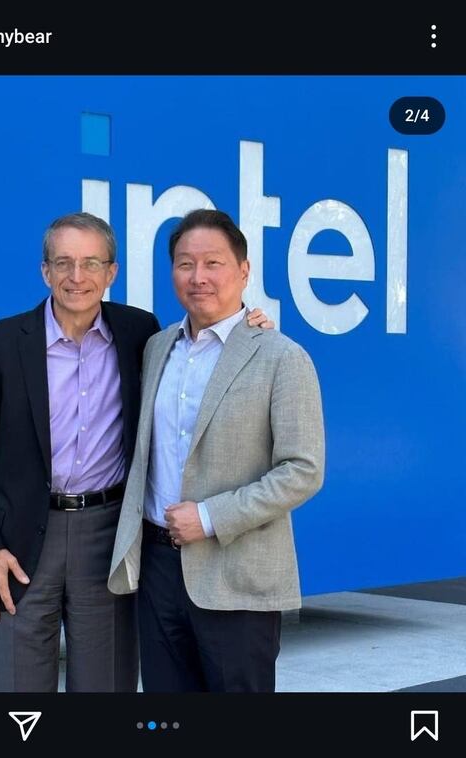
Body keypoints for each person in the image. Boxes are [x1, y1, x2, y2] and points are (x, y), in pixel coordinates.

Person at [0, 211, 272, 692]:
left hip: (109, 537)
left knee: (107, 689)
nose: (76, 276)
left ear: (111, 272)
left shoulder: (140, 333)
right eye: (63, 263)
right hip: (17, 544)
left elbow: (205, 344)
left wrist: (248, 325)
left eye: (91, 263)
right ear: (45, 271)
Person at [108, 209, 325, 692]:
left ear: (244, 271)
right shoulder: (156, 347)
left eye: (213, 263)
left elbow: (303, 470)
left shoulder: (282, 357)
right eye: (185, 264)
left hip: (237, 573)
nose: (198, 276)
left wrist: (209, 517)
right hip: (157, 570)